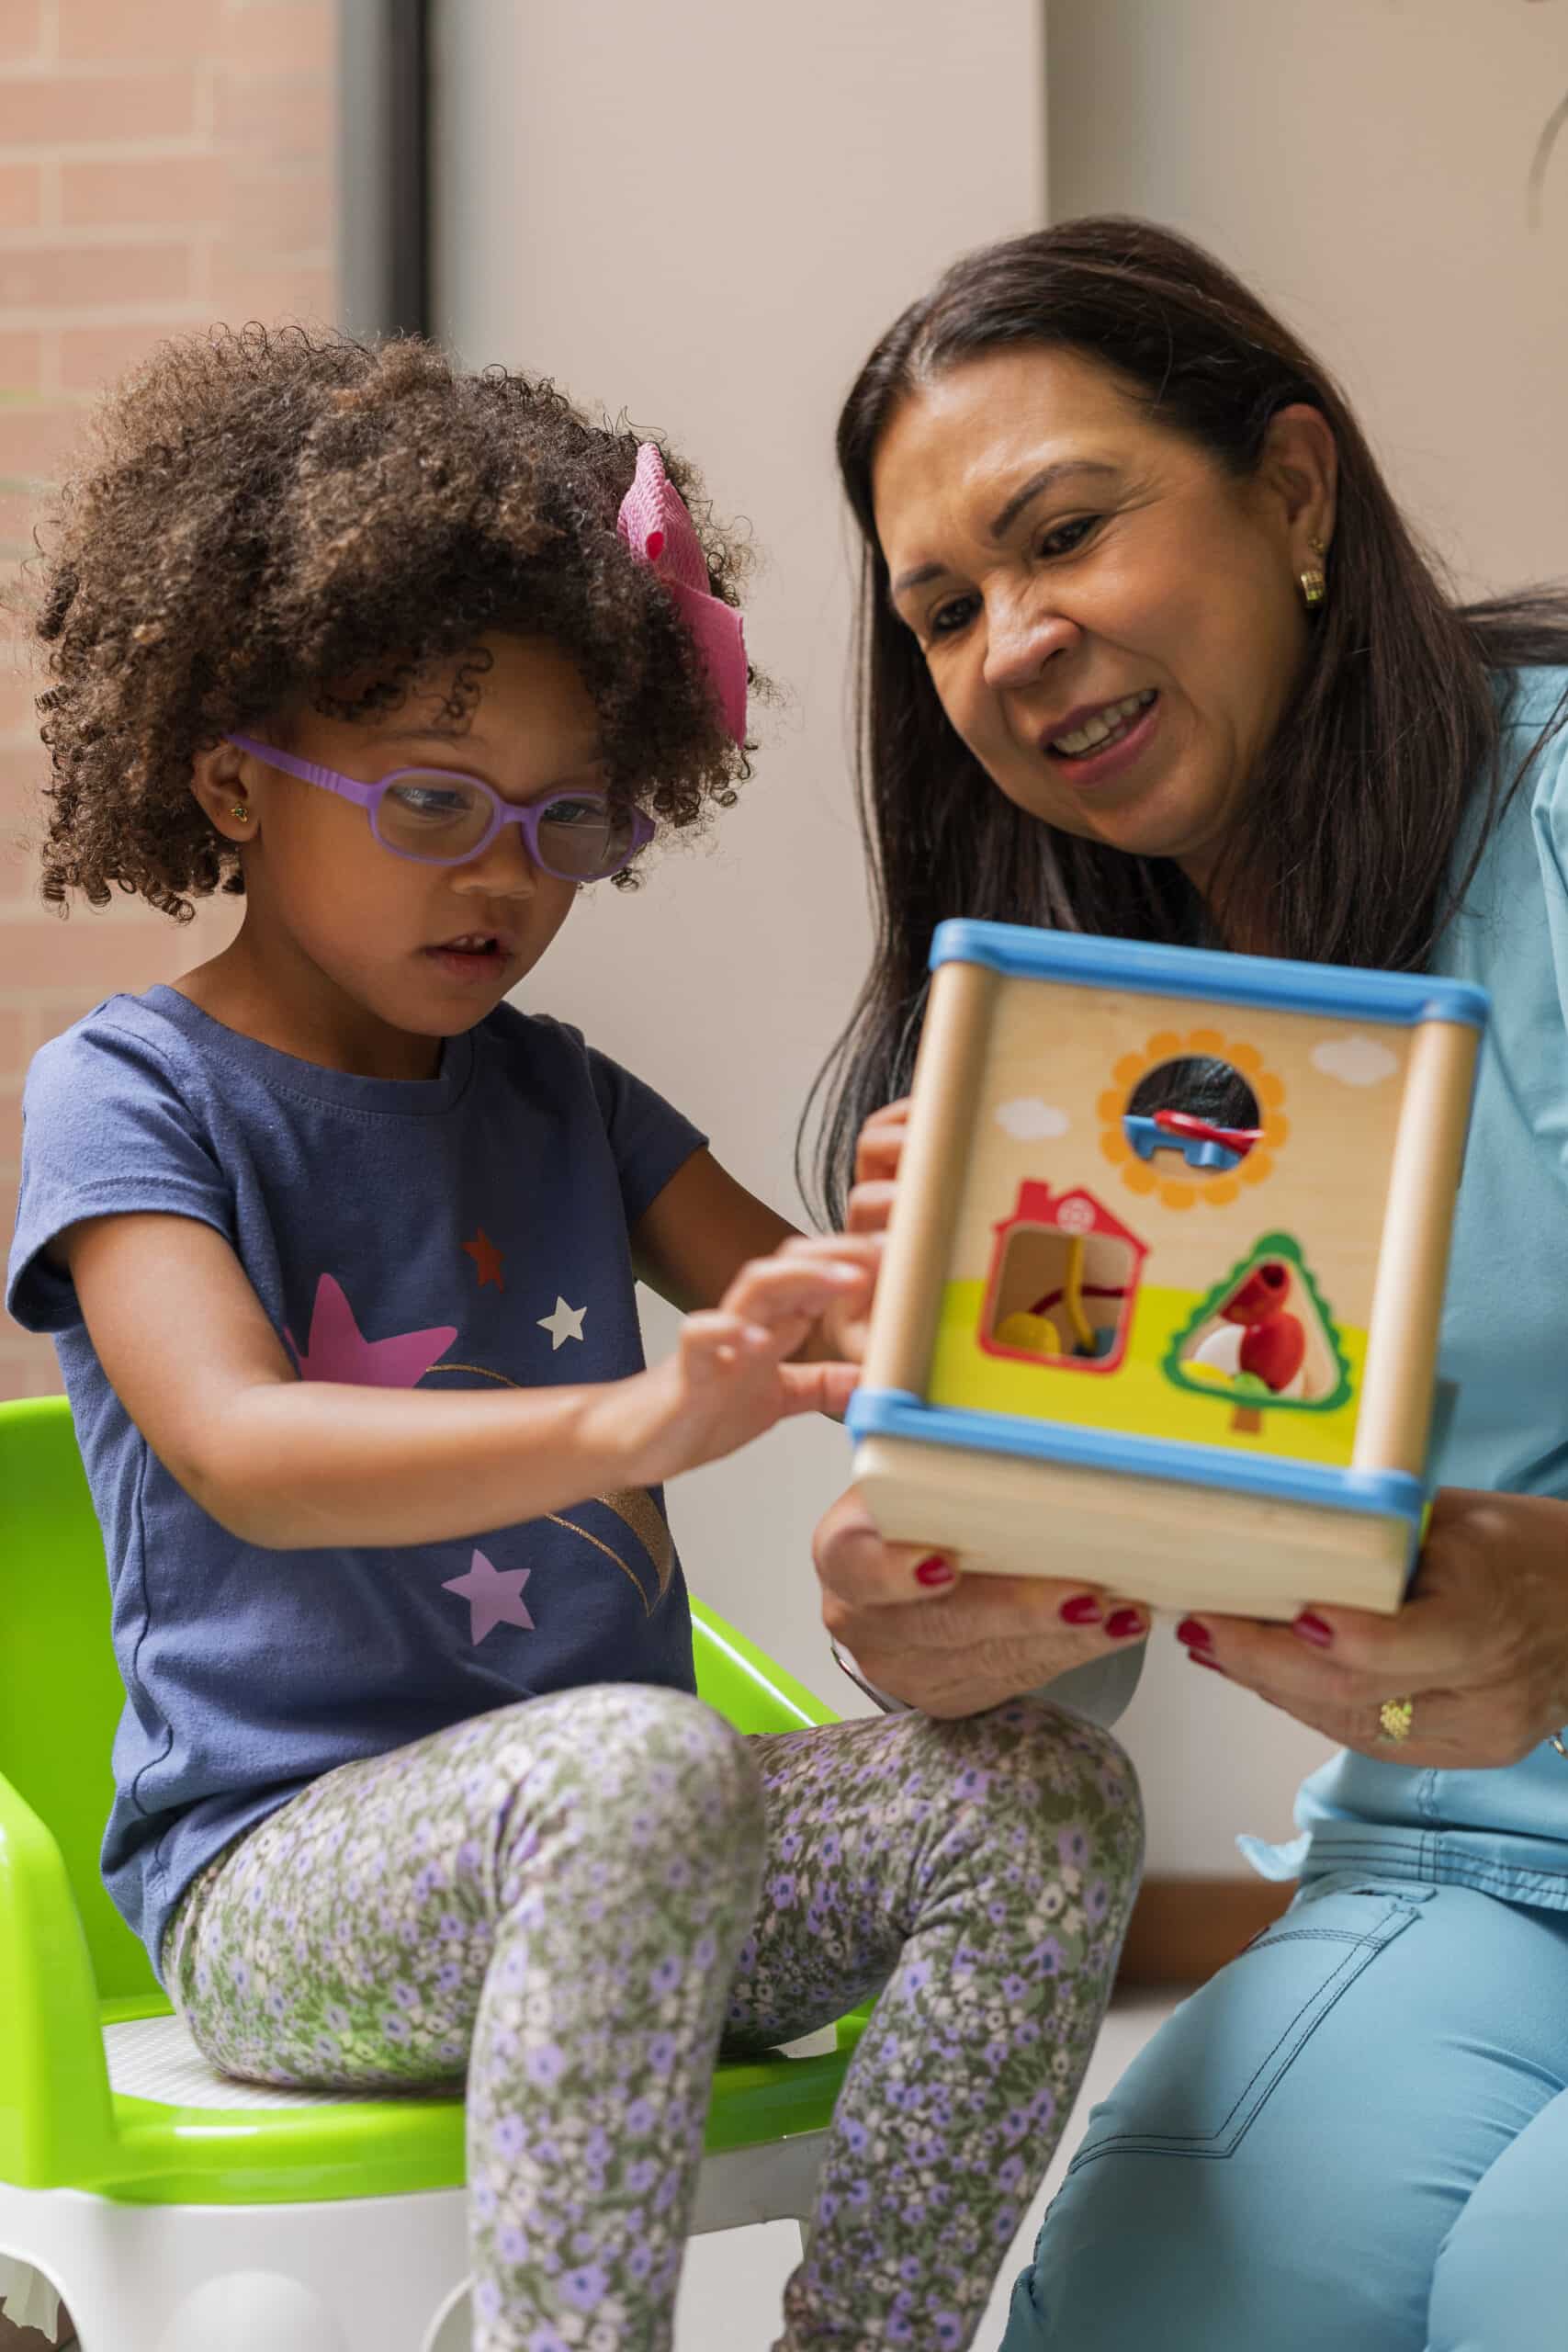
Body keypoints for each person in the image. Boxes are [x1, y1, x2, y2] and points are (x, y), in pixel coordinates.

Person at [3, 327, 1143, 2352]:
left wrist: (973, 1241)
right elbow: (238, 1442)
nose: (504, 877)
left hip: (644, 1829)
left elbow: (834, 1332)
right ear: (228, 779)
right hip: (288, 1888)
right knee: (634, 1765)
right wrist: (633, 1411)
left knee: (1036, 1793)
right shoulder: (132, 1088)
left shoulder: (562, 1092)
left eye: (569, 823)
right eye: (434, 800)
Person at [808, 214, 1568, 2352]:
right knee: (1144, 2305)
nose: (1011, 643)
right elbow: (1096, 1642)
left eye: (1065, 534)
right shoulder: (1071, 1043)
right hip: (1459, 1869)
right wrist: (946, 1611)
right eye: (944, 610)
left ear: (1294, 492)